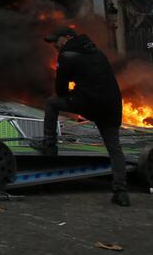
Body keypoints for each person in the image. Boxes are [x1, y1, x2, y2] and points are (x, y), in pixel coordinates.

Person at [37, 26, 129, 207]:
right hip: (112, 106)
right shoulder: (98, 53)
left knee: (51, 103)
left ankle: (49, 145)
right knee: (115, 149)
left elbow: (60, 90)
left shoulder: (66, 56)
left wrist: (72, 89)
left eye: (57, 40)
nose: (55, 45)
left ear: (67, 38)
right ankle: (121, 192)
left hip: (88, 103)